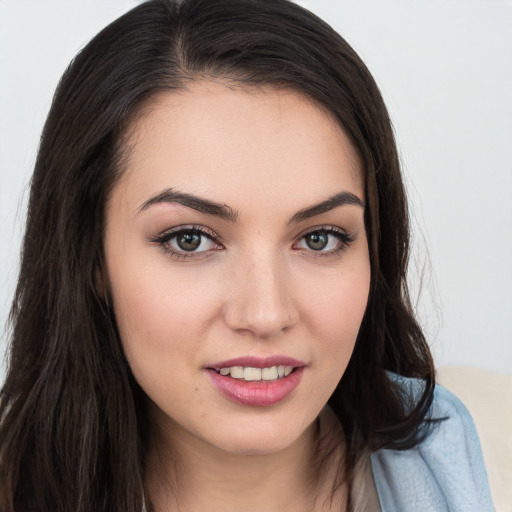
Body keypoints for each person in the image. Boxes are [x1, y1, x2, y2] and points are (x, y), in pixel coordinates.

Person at [0, 0, 494, 511]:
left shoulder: (483, 466)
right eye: (189, 239)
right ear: (92, 258)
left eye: (320, 238)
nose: (266, 314)